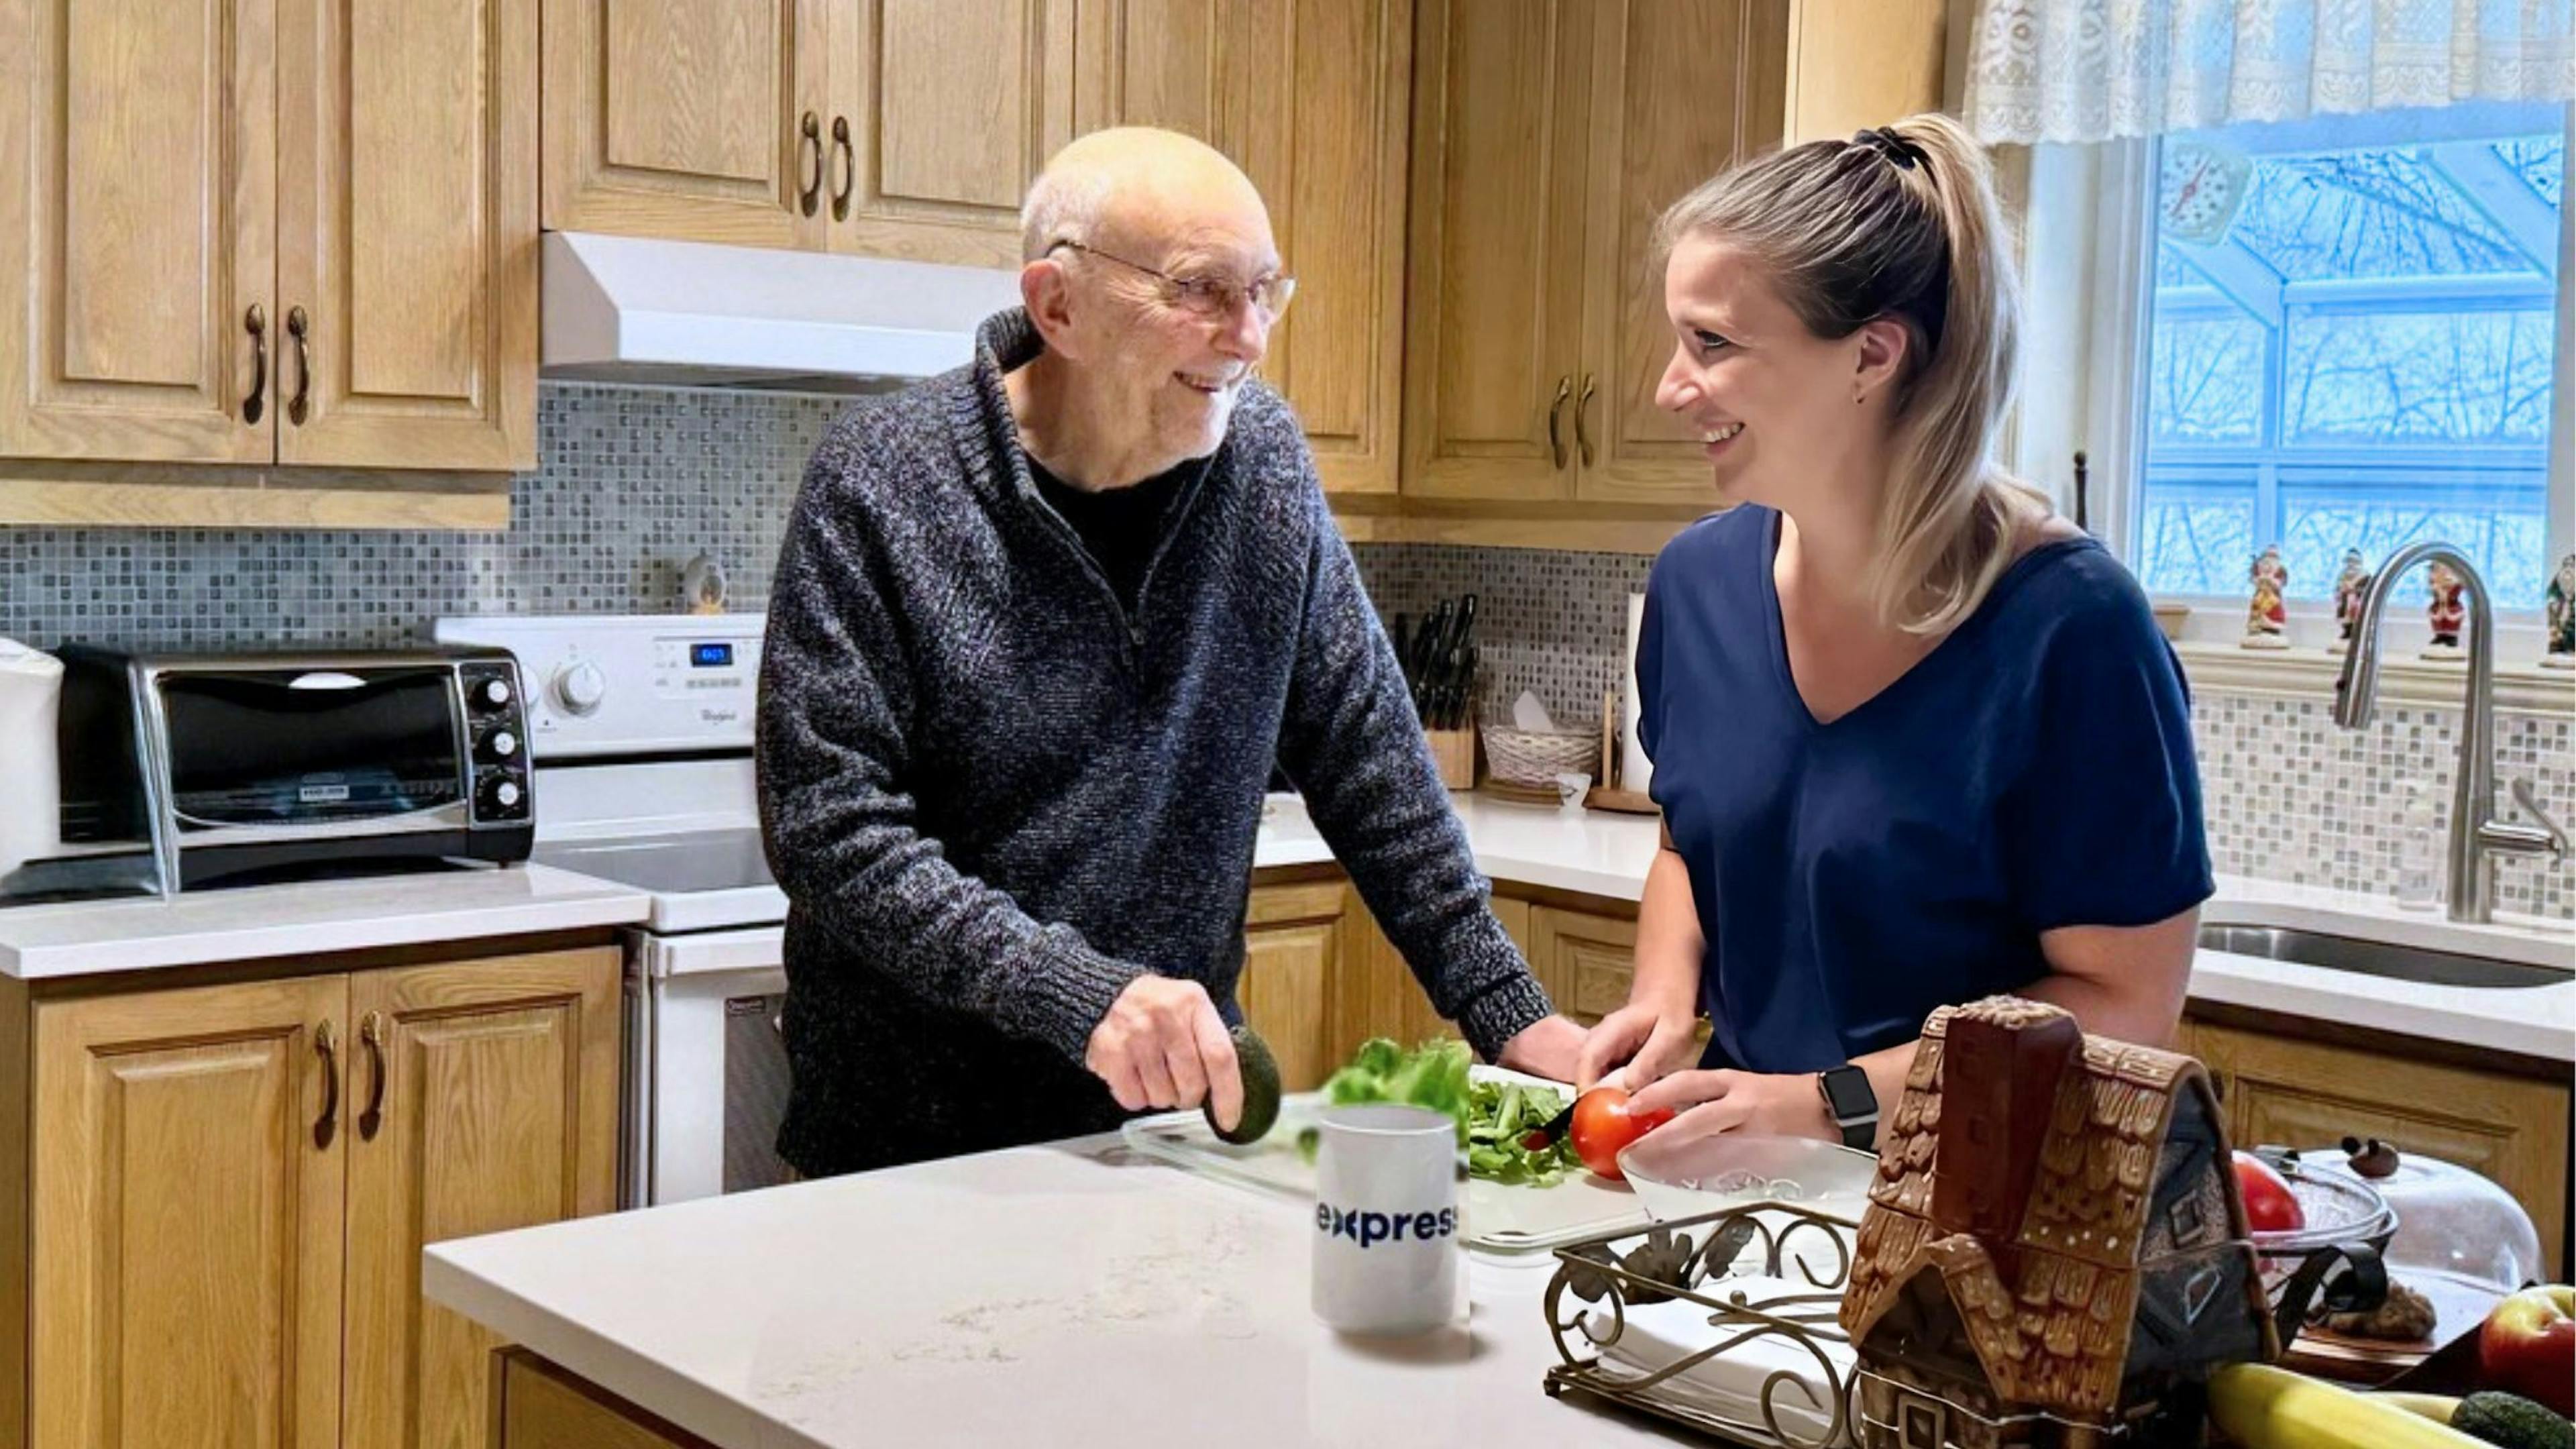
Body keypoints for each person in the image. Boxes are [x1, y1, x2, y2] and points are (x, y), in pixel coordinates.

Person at [758, 127, 1583, 1177]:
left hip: (1166, 1135)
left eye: (1266, 293)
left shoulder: (1265, 465)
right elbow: (833, 833)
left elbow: (1371, 766)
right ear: (1056, 305)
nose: (1245, 337)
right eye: (1199, 290)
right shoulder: (884, 484)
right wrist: (1076, 991)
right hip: (908, 1142)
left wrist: (1509, 1015)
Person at [1574, 115, 2209, 1151]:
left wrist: (1830, 1104)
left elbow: (2123, 1008)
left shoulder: (2072, 630)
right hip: (1742, 1192)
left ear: (1871, 356)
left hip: (1981, 1229)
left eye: (1714, 344)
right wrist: (1663, 988)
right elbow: (1695, 841)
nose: (1668, 387)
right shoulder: (1698, 584)